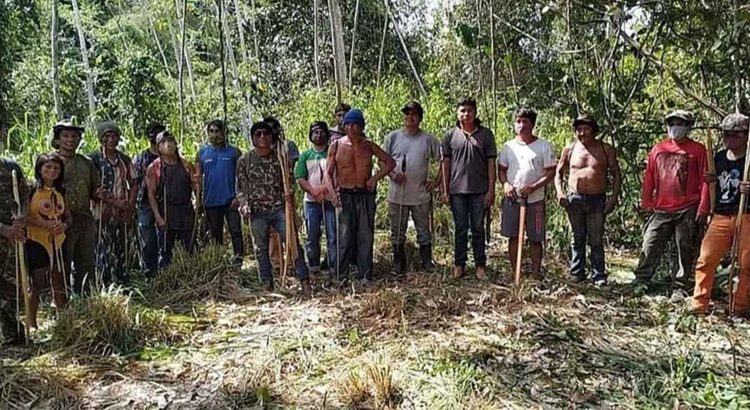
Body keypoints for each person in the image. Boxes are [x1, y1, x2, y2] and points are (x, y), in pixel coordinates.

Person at [634, 110, 708, 291]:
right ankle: (641, 281)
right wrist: (646, 202)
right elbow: (650, 176)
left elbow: (705, 179)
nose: (675, 127)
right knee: (650, 242)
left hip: (688, 207)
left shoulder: (698, 150)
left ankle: (680, 285)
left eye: (680, 124)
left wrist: (703, 208)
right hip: (662, 207)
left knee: (684, 247)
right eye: (672, 123)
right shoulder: (658, 149)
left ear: (688, 127)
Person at [237, 121, 311, 296]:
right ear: (253, 138)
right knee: (261, 249)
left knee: (293, 244)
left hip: (279, 208)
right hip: (257, 211)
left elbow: (290, 180)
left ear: (271, 137)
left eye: (265, 133)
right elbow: (240, 188)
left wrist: (289, 193)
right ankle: (267, 285)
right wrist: (244, 204)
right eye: (258, 134)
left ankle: (305, 280)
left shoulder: (280, 158)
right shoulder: (245, 160)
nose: (262, 137)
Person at [327, 109, 396, 284]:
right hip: (345, 194)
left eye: (355, 125)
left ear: (361, 127)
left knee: (365, 235)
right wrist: (332, 193)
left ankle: (365, 274)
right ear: (344, 126)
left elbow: (390, 162)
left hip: (365, 194)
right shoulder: (336, 145)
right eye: (348, 124)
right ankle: (341, 276)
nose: (351, 128)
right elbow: (327, 174)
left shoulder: (368, 146)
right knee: (344, 237)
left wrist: (375, 178)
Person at [693, 113, 750, 316]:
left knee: (747, 264)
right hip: (721, 215)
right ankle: (699, 305)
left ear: (746, 135)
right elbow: (712, 186)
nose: (730, 139)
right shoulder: (718, 158)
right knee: (706, 259)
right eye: (726, 134)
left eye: (735, 134)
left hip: (746, 215)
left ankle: (739, 308)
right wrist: (710, 181)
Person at [554, 114, 621, 286]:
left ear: (594, 130)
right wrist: (560, 193)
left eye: (586, 129)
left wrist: (613, 198)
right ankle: (577, 272)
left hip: (597, 199)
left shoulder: (605, 149)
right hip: (574, 199)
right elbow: (558, 173)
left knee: (596, 239)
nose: (582, 133)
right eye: (579, 129)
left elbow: (616, 173)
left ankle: (599, 275)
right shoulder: (569, 149)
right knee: (577, 238)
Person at [442, 97, 496, 280]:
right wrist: (445, 190)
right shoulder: (450, 136)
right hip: (457, 191)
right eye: (463, 111)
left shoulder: (485, 135)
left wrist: (491, 190)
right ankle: (459, 265)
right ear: (457, 113)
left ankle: (480, 266)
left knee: (478, 229)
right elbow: (445, 164)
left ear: (475, 113)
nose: (466, 114)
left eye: (470, 111)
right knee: (460, 229)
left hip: (479, 191)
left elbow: (491, 163)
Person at [498, 107, 557, 277]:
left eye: (525, 121)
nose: (521, 125)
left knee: (535, 238)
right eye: (518, 121)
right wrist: (506, 184)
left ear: (532, 124)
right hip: (513, 198)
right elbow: (501, 170)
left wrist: (533, 187)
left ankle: (536, 272)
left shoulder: (544, 146)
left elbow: (551, 172)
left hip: (535, 200)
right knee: (513, 237)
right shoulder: (508, 147)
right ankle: (515, 272)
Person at [384, 101, 441, 274]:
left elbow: (444, 160)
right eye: (407, 113)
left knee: (423, 230)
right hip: (397, 194)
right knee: (397, 231)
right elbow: (382, 160)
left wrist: (436, 181)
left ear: (420, 118)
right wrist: (393, 175)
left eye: (414, 114)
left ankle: (426, 263)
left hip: (420, 194)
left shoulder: (428, 139)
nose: (410, 117)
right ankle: (398, 264)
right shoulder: (392, 138)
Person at [52, 118, 104, 293]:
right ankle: (61, 298)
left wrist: (98, 194)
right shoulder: (51, 162)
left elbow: (94, 188)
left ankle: (85, 297)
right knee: (62, 261)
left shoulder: (86, 163)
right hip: (60, 220)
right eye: (65, 136)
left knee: (86, 261)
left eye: (74, 136)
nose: (70, 140)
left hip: (84, 218)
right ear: (57, 139)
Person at [25, 153, 70, 329]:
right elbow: (23, 217)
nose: (52, 171)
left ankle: (63, 321)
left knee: (59, 279)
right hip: (36, 241)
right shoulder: (30, 189)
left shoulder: (61, 191)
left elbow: (68, 218)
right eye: (48, 167)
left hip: (58, 241)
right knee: (36, 282)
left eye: (56, 168)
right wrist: (44, 225)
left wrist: (63, 226)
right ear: (40, 168)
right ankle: (31, 323)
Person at [90, 121, 136, 284]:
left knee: (122, 245)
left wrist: (130, 205)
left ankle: (121, 278)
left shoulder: (124, 159)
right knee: (103, 246)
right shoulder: (94, 159)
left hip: (122, 212)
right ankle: (104, 281)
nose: (111, 140)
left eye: (114, 136)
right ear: (100, 138)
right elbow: (94, 189)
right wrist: (116, 202)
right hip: (102, 212)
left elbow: (134, 182)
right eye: (107, 136)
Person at [195, 119, 244, 264]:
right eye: (211, 131)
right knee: (215, 234)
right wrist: (198, 200)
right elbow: (198, 179)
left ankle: (238, 261)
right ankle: (218, 262)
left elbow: (242, 177)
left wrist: (239, 197)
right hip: (211, 202)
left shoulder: (234, 152)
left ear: (224, 133)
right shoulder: (202, 153)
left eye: (217, 131)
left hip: (231, 201)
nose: (214, 134)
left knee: (235, 231)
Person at [146, 130, 196, 267]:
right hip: (167, 214)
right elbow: (151, 195)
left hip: (186, 213)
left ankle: (189, 275)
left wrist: (198, 190)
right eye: (163, 142)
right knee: (166, 252)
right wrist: (158, 218)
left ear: (175, 144)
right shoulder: (154, 168)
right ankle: (167, 277)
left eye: (170, 141)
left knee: (189, 249)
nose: (168, 145)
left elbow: (196, 187)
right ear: (158, 147)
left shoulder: (186, 165)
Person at [295, 122, 337, 281]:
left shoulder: (332, 153)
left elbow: (336, 175)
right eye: (315, 132)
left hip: (330, 201)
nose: (319, 135)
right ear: (311, 135)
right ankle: (313, 266)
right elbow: (300, 178)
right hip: (311, 202)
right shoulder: (305, 155)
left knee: (332, 235)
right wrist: (314, 192)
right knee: (312, 235)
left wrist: (326, 190)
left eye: (322, 132)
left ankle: (333, 267)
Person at [263, 116, 299, 271]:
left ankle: (292, 261)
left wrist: (289, 190)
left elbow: (290, 169)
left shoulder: (287, 146)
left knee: (289, 226)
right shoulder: (261, 149)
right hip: (268, 195)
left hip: (285, 191)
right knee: (272, 230)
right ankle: (277, 263)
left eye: (273, 128)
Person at [0, 154, 29, 345]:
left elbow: (25, 195)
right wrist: (3, 229)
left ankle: (13, 333)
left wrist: (22, 217)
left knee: (10, 286)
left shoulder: (11, 167)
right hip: (6, 231)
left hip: (12, 239)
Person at [134, 122, 165, 277]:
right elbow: (133, 181)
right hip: (145, 204)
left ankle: (164, 270)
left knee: (164, 237)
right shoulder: (141, 158)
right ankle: (149, 271)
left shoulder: (169, 157)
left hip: (164, 203)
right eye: (153, 133)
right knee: (147, 239)